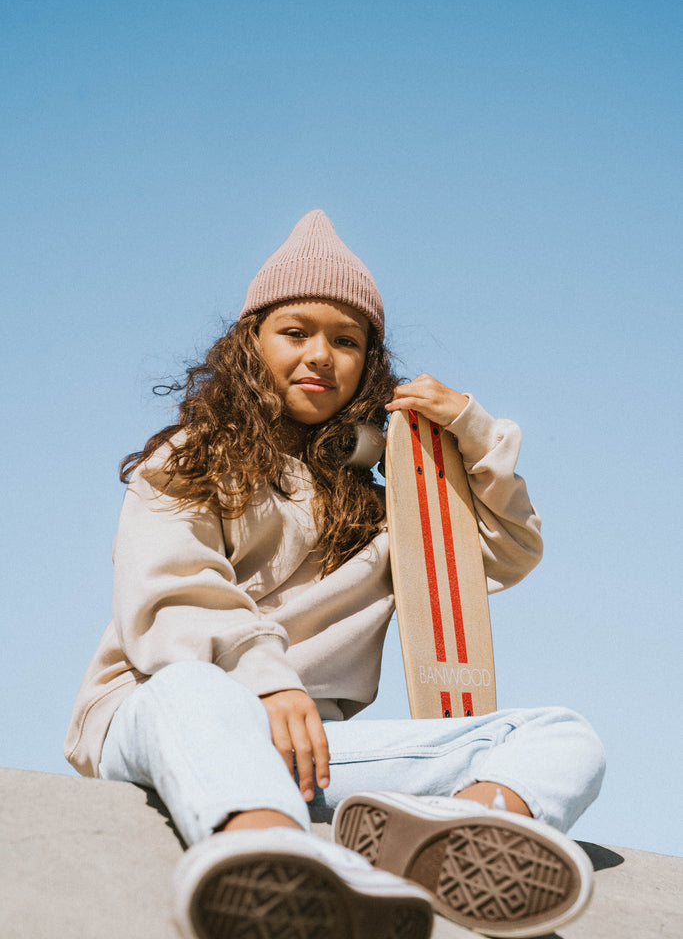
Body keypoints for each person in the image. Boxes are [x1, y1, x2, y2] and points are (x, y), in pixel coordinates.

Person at [64, 210, 605, 939]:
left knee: (563, 735)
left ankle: (447, 841)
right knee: (196, 686)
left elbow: (508, 549)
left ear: (368, 365)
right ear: (251, 345)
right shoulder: (189, 459)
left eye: (346, 341)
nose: (320, 355)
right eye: (295, 332)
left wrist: (473, 431)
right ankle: (269, 862)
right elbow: (175, 595)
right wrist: (266, 679)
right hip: (164, 712)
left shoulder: (389, 514)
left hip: (304, 752)